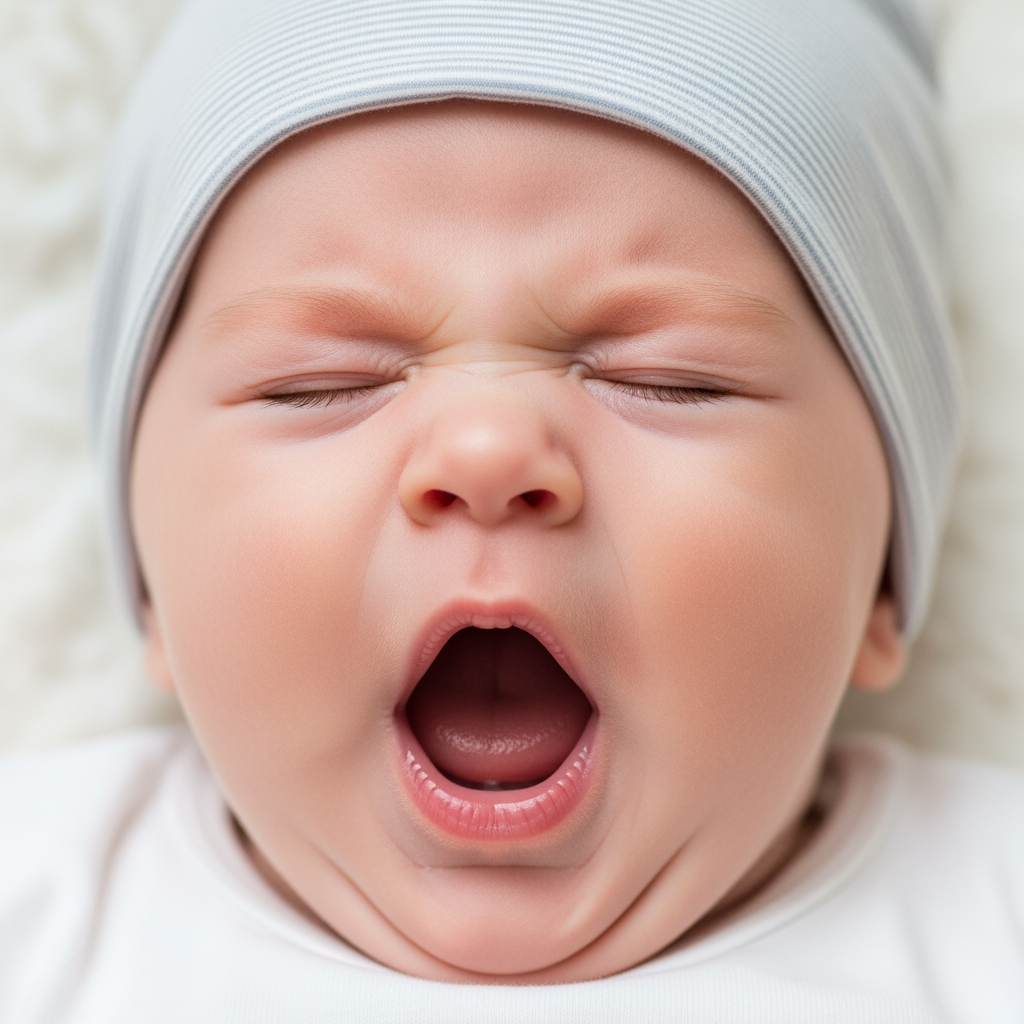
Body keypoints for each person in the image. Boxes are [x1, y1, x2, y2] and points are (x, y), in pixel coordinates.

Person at [3, 0, 1023, 1019]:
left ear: (881, 579)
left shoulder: (985, 912)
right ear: (152, 584)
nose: (485, 448)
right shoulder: (44, 904)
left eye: (672, 379)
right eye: (317, 384)